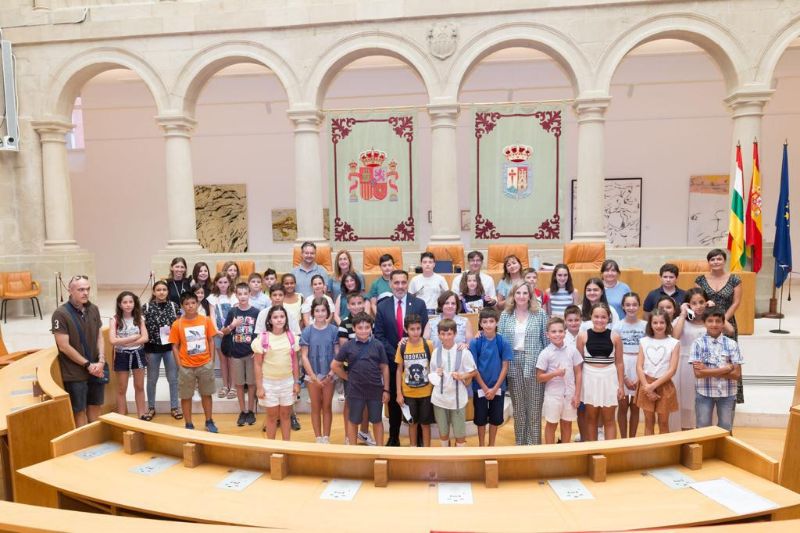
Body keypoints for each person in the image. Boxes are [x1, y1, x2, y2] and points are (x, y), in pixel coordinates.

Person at [373, 269, 429, 446]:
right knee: (394, 401)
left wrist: (409, 354)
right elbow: (379, 335)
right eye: (396, 282)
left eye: (403, 282)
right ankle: (394, 436)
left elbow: (423, 332)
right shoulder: (382, 307)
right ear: (390, 284)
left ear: (407, 283)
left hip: (417, 362)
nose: (400, 286)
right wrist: (398, 354)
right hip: (392, 362)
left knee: (417, 400)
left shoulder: (419, 304)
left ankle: (419, 438)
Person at [672, 288, 732, 431]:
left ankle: (705, 431)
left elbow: (730, 331)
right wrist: (683, 313)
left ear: (707, 302)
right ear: (688, 304)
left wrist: (715, 309)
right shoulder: (682, 320)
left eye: (701, 302)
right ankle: (686, 432)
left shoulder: (711, 321)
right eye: (694, 303)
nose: (698, 306)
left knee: (705, 400)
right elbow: (675, 337)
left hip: (709, 365)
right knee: (686, 400)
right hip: (685, 364)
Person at [497, 280, 548, 445]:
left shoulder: (540, 314)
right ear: (513, 295)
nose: (521, 296)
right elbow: (500, 341)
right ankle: (521, 444)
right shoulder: (505, 315)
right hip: (513, 363)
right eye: (518, 293)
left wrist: (546, 367)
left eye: (525, 293)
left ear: (530, 295)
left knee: (534, 408)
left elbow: (546, 342)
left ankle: (534, 445)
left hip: (535, 363)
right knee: (518, 409)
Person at [51, 275, 106, 427]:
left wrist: (101, 360)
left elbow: (100, 337)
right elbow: (64, 346)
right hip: (75, 372)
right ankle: (84, 442)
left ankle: (96, 440)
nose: (85, 293)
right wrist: (87, 364)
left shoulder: (93, 309)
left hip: (96, 368)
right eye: (81, 290)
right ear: (70, 291)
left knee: (95, 407)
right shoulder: (61, 313)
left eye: (88, 289)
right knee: (79, 411)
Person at [332, 312, 390, 447]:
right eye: (360, 328)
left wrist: (386, 389)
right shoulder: (347, 346)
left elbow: (385, 367)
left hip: (375, 389)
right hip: (355, 390)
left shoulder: (378, 345)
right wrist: (348, 377)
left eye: (367, 327)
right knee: (353, 420)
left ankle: (380, 450)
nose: (364, 331)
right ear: (354, 328)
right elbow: (335, 365)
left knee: (377, 420)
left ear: (371, 328)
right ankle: (353, 450)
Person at [695, 248, 743, 403]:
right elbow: (697, 300)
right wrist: (712, 320)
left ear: (724, 261)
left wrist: (723, 320)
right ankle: (707, 395)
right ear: (708, 262)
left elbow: (736, 302)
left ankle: (731, 398)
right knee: (708, 357)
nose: (716, 262)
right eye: (712, 259)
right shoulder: (700, 280)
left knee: (730, 359)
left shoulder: (734, 279)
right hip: (707, 323)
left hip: (728, 322)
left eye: (719, 259)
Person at [169, 293, 219, 433]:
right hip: (186, 366)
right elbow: (174, 346)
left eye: (193, 303)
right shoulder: (177, 324)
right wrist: (180, 365)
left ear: (197, 304)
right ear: (182, 306)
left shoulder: (206, 320)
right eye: (186, 304)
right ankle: (189, 424)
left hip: (205, 364)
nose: (190, 306)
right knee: (186, 396)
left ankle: (209, 421)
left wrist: (211, 361)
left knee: (206, 394)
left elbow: (211, 340)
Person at [575, 302, 624, 441]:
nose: (599, 320)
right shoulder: (582, 336)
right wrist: (577, 387)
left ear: (609, 318)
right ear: (591, 316)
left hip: (609, 378)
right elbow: (578, 364)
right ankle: (593, 450)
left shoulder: (615, 337)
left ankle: (610, 450)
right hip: (589, 379)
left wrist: (621, 385)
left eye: (603, 317)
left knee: (609, 419)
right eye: (596, 316)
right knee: (591, 418)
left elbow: (619, 363)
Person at [690, 308, 743, 432]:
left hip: (727, 393)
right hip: (704, 393)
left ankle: (722, 446)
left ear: (723, 323)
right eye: (710, 321)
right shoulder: (697, 344)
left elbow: (736, 374)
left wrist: (707, 370)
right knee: (702, 428)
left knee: (725, 428)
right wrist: (727, 368)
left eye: (718, 321)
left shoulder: (732, 344)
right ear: (704, 323)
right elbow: (698, 373)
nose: (714, 324)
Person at [252, 306, 300, 440]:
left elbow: (295, 362)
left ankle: (286, 446)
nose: (279, 320)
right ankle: (271, 447)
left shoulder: (292, 337)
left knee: (286, 415)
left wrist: (296, 382)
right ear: (270, 320)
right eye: (275, 317)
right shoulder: (262, 339)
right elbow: (257, 364)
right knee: (272, 417)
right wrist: (260, 387)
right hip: (269, 384)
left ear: (286, 319)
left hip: (287, 382)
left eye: (282, 317)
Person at [428, 319, 476, 447]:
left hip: (457, 399)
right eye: (443, 334)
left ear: (455, 334)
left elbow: (473, 371)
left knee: (460, 435)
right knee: (443, 433)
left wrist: (462, 376)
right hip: (440, 399)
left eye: (449, 334)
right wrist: (436, 374)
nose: (446, 337)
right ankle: (445, 455)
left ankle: (459, 456)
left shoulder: (463, 352)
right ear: (438, 335)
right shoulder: (435, 353)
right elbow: (432, 376)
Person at [536, 317, 583, 445]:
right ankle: (551, 452)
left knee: (567, 424)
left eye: (560, 331)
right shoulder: (545, 353)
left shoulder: (572, 350)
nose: (557, 334)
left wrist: (577, 395)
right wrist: (554, 373)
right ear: (547, 335)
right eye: (554, 331)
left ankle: (565, 450)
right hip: (553, 395)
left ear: (565, 332)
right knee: (551, 424)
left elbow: (578, 372)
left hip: (570, 394)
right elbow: (539, 377)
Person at [470, 308, 512, 447]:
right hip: (479, 387)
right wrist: (484, 388)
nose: (488, 324)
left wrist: (494, 389)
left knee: (495, 419)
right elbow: (474, 368)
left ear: (497, 322)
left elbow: (505, 367)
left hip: (498, 388)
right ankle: (482, 446)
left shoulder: (502, 341)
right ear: (480, 323)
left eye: (491, 321)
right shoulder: (475, 342)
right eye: (485, 322)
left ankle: (491, 445)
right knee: (480, 419)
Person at [300, 297, 340, 443]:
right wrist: (313, 376)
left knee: (327, 406)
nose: (320, 313)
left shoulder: (334, 330)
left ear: (328, 312)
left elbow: (337, 354)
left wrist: (330, 374)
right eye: (317, 311)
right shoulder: (307, 331)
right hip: (313, 375)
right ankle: (318, 437)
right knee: (316, 406)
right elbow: (304, 356)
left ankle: (326, 437)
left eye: (323, 310)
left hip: (330, 374)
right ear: (312, 313)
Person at [337, 292, 375, 445]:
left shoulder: (370, 321)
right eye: (353, 304)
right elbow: (344, 348)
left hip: (368, 371)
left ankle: (364, 433)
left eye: (360, 303)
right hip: (351, 371)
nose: (357, 306)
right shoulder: (344, 323)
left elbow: (373, 344)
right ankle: (348, 435)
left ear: (364, 304)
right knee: (350, 403)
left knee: (366, 403)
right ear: (348, 306)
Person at [220, 283, 260, 427]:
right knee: (239, 384)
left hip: (251, 354)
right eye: (240, 294)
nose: (243, 296)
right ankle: (243, 411)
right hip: (236, 354)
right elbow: (223, 332)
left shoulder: (256, 312)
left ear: (249, 294)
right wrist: (233, 325)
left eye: (245, 293)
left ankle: (251, 411)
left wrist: (257, 351)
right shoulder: (233, 312)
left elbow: (260, 334)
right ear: (236, 295)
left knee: (251, 383)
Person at [636, 310, 680, 436]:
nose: (658, 325)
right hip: (646, 384)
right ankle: (649, 448)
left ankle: (665, 448)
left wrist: (653, 386)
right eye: (655, 322)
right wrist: (647, 387)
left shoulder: (674, 343)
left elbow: (672, 370)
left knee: (663, 423)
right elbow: (639, 366)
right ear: (650, 324)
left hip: (664, 384)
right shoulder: (644, 341)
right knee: (648, 422)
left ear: (667, 324)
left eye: (662, 322)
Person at [143, 280, 182, 421]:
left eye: (164, 289)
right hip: (152, 348)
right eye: (158, 290)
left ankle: (174, 407)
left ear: (168, 292)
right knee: (152, 379)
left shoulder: (174, 306)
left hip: (170, 348)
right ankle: (151, 407)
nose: (161, 292)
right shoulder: (146, 307)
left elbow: (179, 326)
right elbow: (142, 327)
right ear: (154, 292)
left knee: (173, 379)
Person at [395, 313, 435, 447]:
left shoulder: (428, 345)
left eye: (418, 328)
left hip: (426, 393)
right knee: (412, 423)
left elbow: (433, 366)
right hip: (408, 393)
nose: (416, 332)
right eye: (412, 329)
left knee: (425, 424)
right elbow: (399, 370)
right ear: (406, 329)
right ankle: (413, 448)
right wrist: (399, 393)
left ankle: (427, 450)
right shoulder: (402, 346)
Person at [612, 292, 646, 438]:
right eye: (628, 305)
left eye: (634, 304)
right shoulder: (617, 326)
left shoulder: (645, 326)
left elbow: (647, 350)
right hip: (623, 363)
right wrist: (624, 377)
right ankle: (623, 438)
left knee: (635, 406)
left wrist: (640, 377)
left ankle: (632, 438)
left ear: (639, 306)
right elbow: (614, 354)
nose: (631, 308)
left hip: (640, 363)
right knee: (623, 405)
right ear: (623, 306)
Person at [109, 291, 148, 419]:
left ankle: (141, 415)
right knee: (122, 388)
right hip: (121, 355)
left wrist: (127, 342)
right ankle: (122, 417)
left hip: (138, 353)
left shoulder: (139, 318)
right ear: (120, 304)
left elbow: (145, 337)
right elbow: (113, 340)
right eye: (125, 302)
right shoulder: (114, 319)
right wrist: (134, 337)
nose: (128, 305)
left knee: (139, 386)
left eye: (130, 302)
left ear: (134, 303)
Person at [208, 272, 235, 400]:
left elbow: (235, 315)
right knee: (223, 360)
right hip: (218, 333)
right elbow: (212, 315)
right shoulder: (212, 297)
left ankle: (233, 386)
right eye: (220, 282)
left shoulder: (234, 297)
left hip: (231, 332)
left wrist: (228, 329)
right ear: (216, 283)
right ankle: (225, 385)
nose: (223, 285)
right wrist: (216, 330)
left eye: (225, 282)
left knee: (232, 360)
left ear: (229, 283)